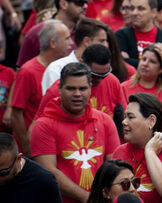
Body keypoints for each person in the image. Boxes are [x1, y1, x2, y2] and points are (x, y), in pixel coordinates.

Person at [31, 63, 121, 203]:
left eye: (83, 88)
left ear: (90, 88)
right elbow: (48, 171)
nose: (77, 94)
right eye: (71, 88)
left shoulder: (105, 121)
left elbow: (114, 167)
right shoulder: (43, 125)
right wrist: (88, 198)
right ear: (59, 88)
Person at [113, 93, 162, 203]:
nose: (124, 122)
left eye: (130, 117)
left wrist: (150, 152)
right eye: (125, 117)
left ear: (151, 121)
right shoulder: (119, 152)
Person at [10, 19, 73, 156]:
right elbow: (16, 114)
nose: (71, 43)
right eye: (67, 39)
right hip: (32, 151)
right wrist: (26, 148)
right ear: (53, 43)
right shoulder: (28, 71)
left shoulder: (64, 68)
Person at [36, 44, 128, 122]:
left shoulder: (113, 81)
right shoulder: (58, 91)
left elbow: (124, 118)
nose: (99, 80)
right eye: (94, 75)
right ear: (81, 62)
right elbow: (37, 127)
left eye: (104, 75)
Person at [17, 0, 87, 66]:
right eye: (80, 2)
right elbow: (22, 69)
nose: (85, 6)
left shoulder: (87, 31)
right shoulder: (37, 33)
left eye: (86, 2)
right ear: (63, 4)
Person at [42, 18, 108, 93]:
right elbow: (52, 101)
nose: (106, 45)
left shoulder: (105, 73)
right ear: (87, 41)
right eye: (101, 41)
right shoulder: (56, 69)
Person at [116, 0, 162, 67]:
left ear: (153, 12)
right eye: (132, 8)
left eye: (141, 9)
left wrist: (130, 60)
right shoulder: (120, 36)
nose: (134, 13)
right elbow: (120, 64)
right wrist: (156, 63)